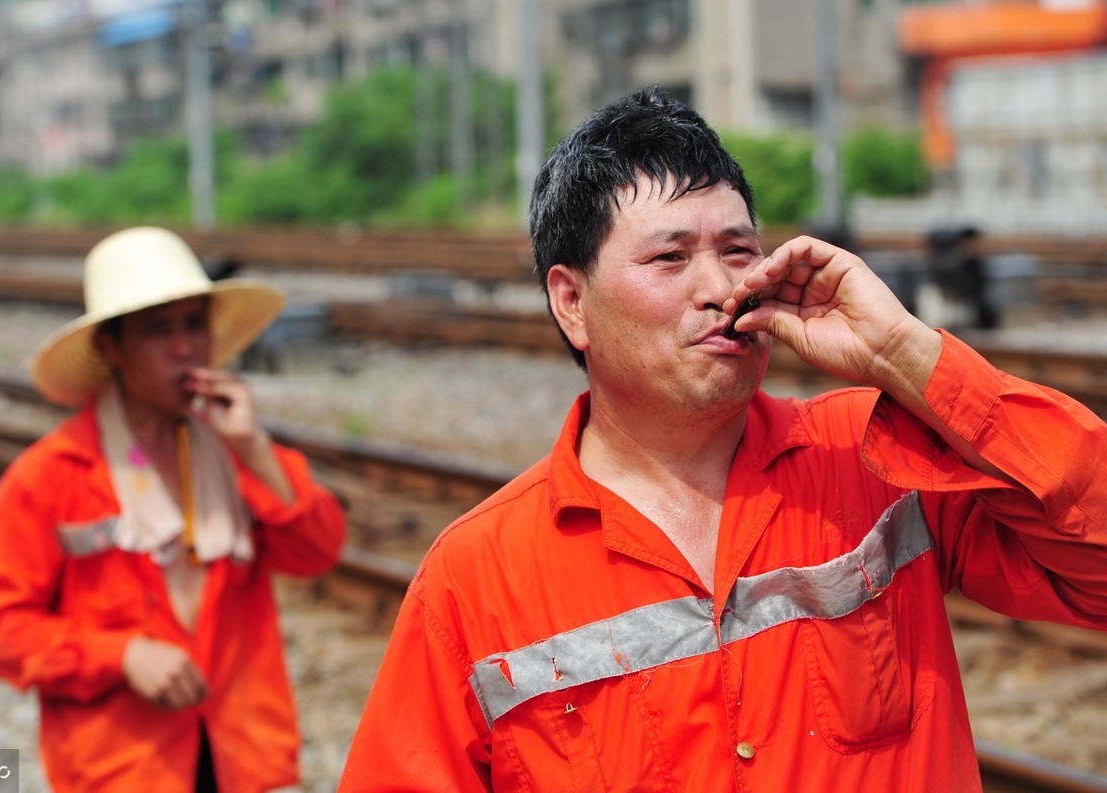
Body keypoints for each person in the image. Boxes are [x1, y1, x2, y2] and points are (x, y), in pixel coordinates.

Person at [338, 86, 1107, 791]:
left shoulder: (873, 456)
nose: (720, 288)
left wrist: (909, 358)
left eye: (738, 251)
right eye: (670, 257)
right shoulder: (477, 580)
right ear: (571, 302)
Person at [0, 226, 347, 793]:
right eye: (158, 330)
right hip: (123, 766)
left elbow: (317, 551)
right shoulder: (51, 475)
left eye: (195, 323)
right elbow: (0, 629)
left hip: (244, 756)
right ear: (109, 347)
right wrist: (120, 655)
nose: (185, 347)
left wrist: (255, 449)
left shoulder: (235, 451)